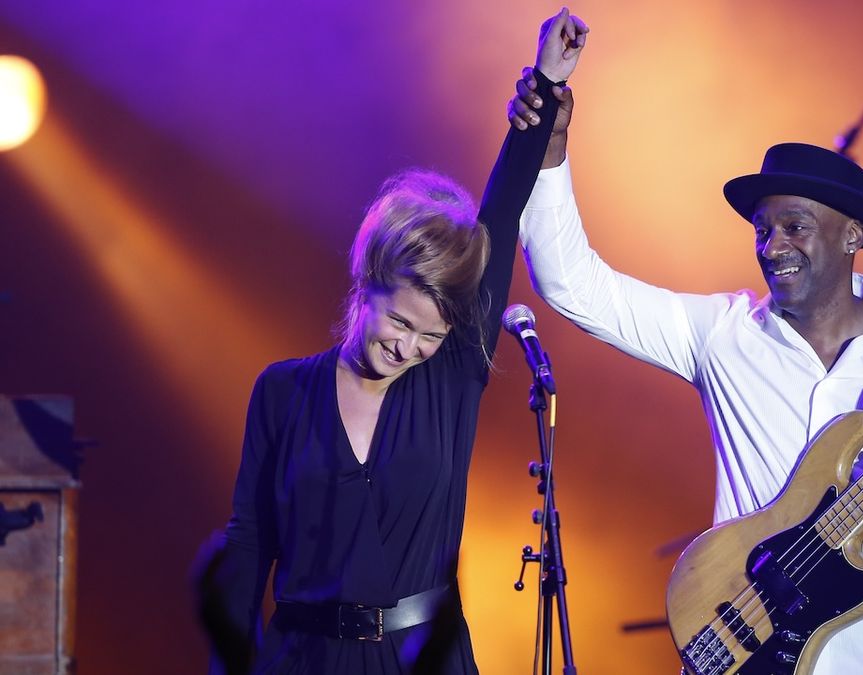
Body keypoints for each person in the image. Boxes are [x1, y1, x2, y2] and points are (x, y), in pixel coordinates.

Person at [506, 48, 863, 673]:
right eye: (762, 229)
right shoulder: (723, 334)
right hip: (754, 653)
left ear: (851, 236)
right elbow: (572, 285)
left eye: (795, 227)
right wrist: (550, 146)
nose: (772, 248)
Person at [204, 9, 589, 674]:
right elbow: (248, 542)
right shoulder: (282, 391)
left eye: (431, 334)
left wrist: (548, 80)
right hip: (302, 659)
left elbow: (497, 218)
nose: (410, 346)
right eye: (401, 323)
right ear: (367, 283)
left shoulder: (451, 376)